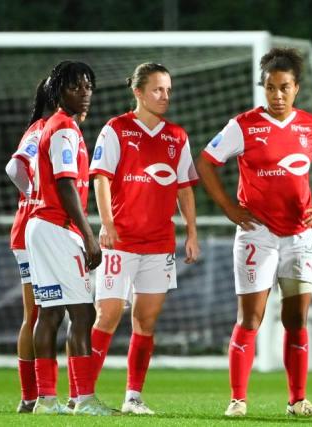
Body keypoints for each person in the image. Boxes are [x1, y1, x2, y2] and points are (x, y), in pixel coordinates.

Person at [196, 47, 312, 418]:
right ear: (262, 87)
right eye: (270, 87)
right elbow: (206, 161)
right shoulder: (243, 125)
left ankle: (298, 401)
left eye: (284, 87)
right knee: (251, 318)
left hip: (299, 237)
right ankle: (238, 400)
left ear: (297, 88)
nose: (277, 95)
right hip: (257, 234)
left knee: (297, 321)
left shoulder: (310, 126)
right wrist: (230, 208)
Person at [88, 62, 200, 415]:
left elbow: (184, 189)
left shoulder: (176, 136)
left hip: (159, 244)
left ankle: (133, 396)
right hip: (120, 242)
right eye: (157, 89)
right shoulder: (116, 129)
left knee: (146, 321)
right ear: (138, 92)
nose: (165, 96)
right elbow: (101, 178)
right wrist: (106, 223)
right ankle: (82, 394)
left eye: (168, 89)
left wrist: (191, 232)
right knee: (107, 315)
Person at [25, 60, 111, 416]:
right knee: (82, 313)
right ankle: (85, 400)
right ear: (58, 91)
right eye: (76, 87)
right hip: (57, 228)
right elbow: (64, 184)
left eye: (88, 86)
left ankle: (46, 401)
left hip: (39, 226)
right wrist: (89, 235)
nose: (85, 92)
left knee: (50, 313)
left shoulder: (53, 126)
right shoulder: (65, 130)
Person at [5, 77, 54, 413]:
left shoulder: (47, 126)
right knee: (40, 312)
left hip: (31, 227)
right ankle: (36, 395)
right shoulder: (43, 128)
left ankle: (32, 396)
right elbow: (14, 166)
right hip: (35, 228)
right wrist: (34, 196)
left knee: (38, 313)